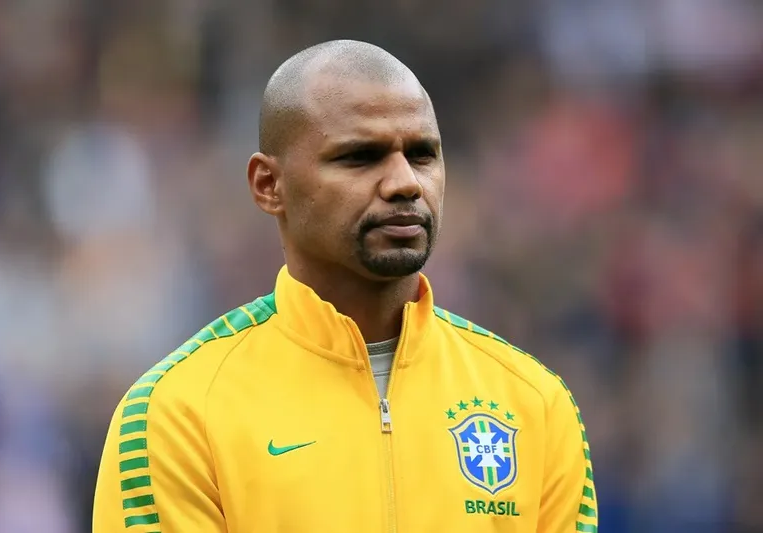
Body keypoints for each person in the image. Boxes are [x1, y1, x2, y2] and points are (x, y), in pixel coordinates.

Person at [93, 39, 598, 532]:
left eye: (422, 154)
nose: (405, 182)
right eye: (360, 156)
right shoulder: (177, 415)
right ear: (269, 185)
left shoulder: (535, 406)